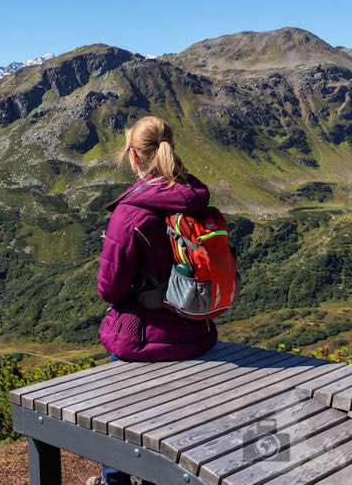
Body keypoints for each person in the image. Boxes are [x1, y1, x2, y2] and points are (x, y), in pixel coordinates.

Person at [95, 116, 218, 485]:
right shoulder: (197, 200)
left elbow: (110, 289)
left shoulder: (130, 213)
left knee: (117, 411)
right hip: (198, 333)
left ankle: (113, 480)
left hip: (145, 341)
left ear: (133, 156)